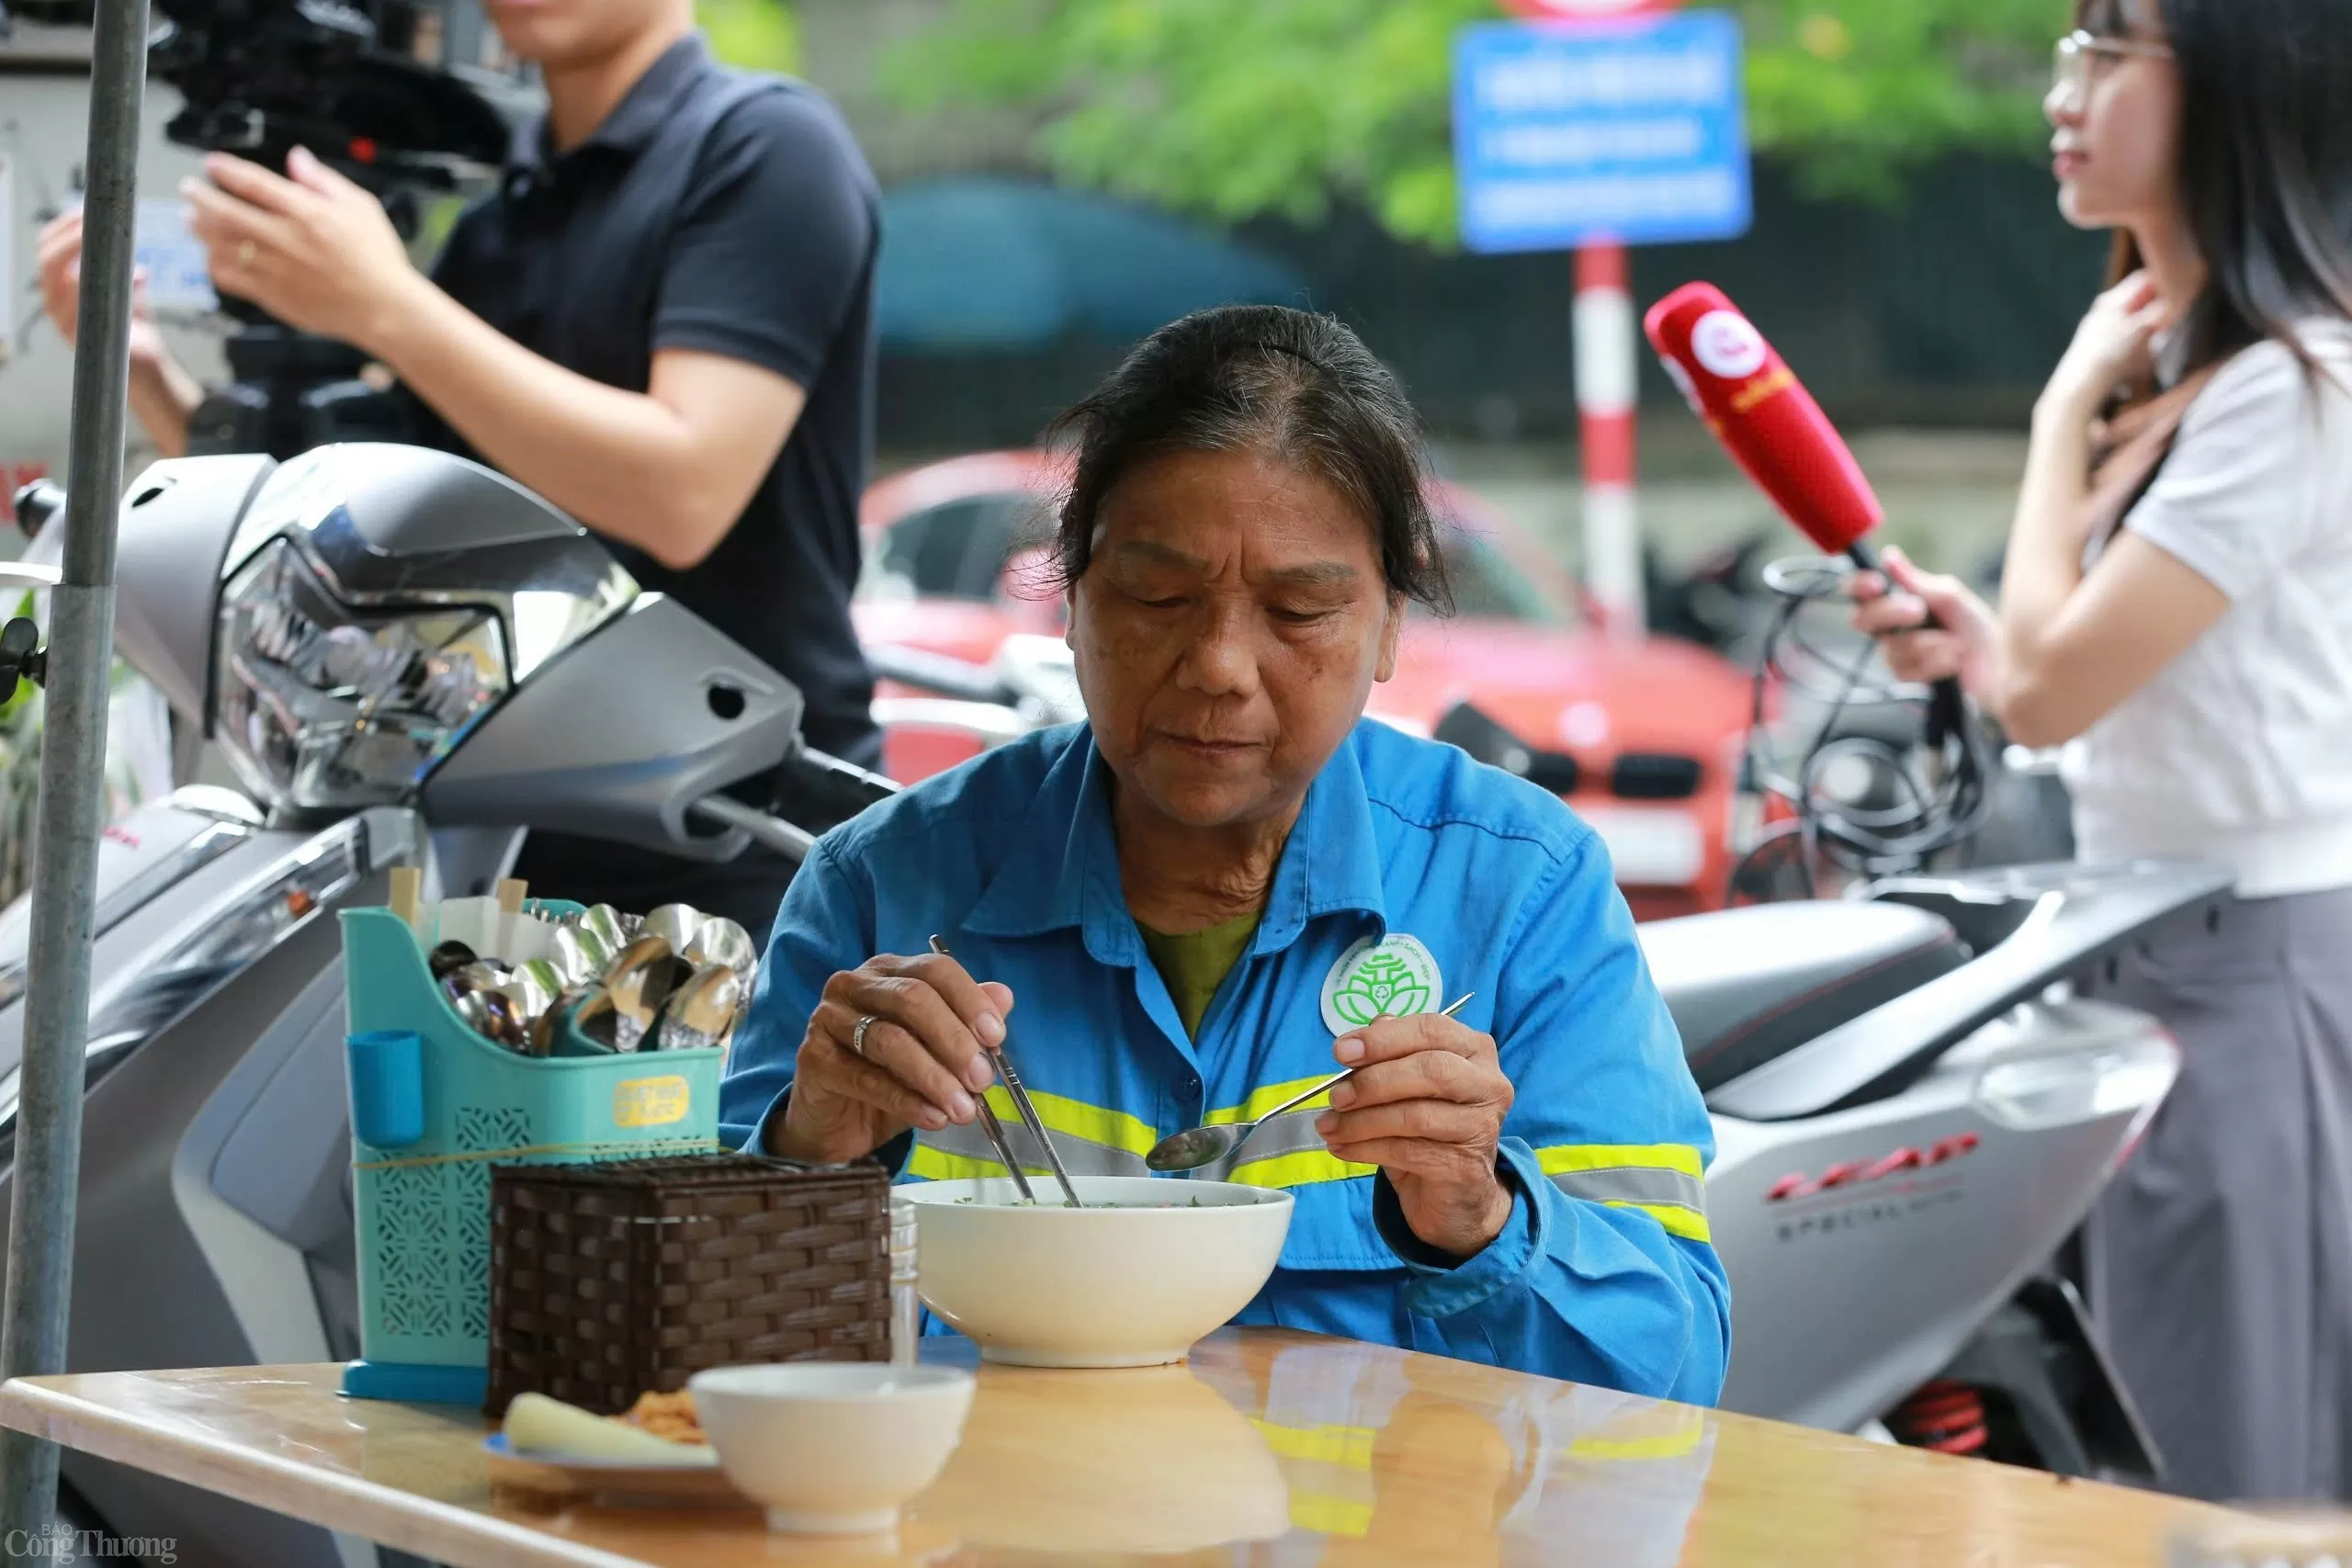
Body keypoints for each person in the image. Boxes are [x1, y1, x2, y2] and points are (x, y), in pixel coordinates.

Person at [720, 305, 1730, 1398]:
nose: (1218, 666)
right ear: (1071, 597)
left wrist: (1478, 1220)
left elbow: (1673, 1371)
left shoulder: (1520, 893)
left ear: (1389, 625)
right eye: (1158, 597)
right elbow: (704, 1352)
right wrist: (814, 1155)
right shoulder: (881, 886)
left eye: (1298, 611)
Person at [35, 0, 883, 940]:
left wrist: (387, 305)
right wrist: (142, 368)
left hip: (739, 851)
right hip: (513, 856)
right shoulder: (497, 223)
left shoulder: (766, 144)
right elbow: (377, 546)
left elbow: (684, 492)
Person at [1849, 0, 2352, 1503]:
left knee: (2235, 1480)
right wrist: (1984, 647)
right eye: (2073, 44)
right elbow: (2091, 681)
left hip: (2252, 966)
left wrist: (2060, 410)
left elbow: (2056, 690)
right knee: (2159, 1451)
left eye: (2113, 45)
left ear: (2247, 85)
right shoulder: (2201, 373)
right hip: (2152, 949)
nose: (2065, 88)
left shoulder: (2290, 385)